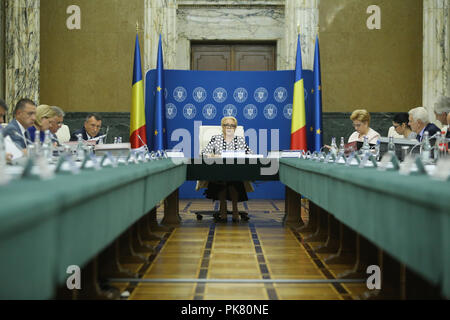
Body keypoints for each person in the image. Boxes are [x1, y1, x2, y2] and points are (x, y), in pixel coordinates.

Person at [199, 116, 253, 223]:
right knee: (222, 178)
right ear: (222, 127)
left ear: (235, 128)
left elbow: (250, 154)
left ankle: (235, 208)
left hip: (235, 170)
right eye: (226, 125)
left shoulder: (239, 140)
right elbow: (203, 153)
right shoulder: (216, 139)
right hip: (218, 170)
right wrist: (212, 156)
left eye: (232, 125)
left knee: (232, 178)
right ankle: (223, 207)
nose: (229, 127)